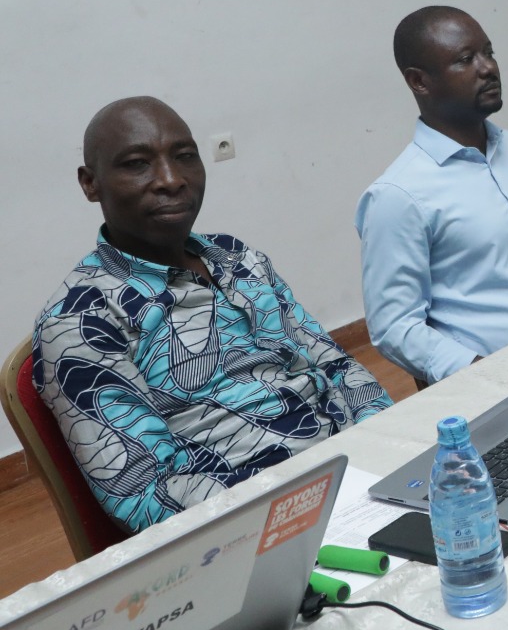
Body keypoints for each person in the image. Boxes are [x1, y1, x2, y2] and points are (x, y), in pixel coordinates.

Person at [33, 97, 392, 534]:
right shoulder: (81, 319)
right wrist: (303, 507)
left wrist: (391, 447)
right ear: (90, 184)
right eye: (137, 164)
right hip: (260, 524)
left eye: (185, 156)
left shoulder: (236, 257)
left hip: (358, 470)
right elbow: (145, 495)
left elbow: (335, 365)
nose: (171, 179)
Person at [357, 6, 508, 385]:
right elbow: (395, 328)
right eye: (465, 59)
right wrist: (489, 377)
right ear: (419, 81)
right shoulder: (398, 196)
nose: (488, 68)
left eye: (489, 52)